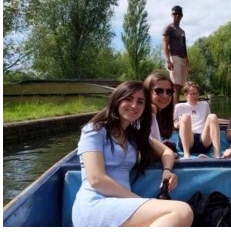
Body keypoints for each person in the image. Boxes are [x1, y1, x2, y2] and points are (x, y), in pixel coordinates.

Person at [72, 81, 193, 227]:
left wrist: (167, 171)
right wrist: (137, 200)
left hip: (122, 206)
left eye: (140, 102)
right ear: (117, 100)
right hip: (95, 204)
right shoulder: (94, 130)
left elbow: (167, 151)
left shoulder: (134, 137)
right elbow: (96, 179)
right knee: (181, 211)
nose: (134, 105)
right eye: (128, 99)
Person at [173, 81, 221, 158]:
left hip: (203, 140)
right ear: (186, 95)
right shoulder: (179, 106)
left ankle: (217, 155)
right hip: (188, 140)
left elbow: (208, 120)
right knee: (186, 117)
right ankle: (186, 155)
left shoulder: (204, 104)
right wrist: (177, 124)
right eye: (192, 94)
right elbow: (174, 121)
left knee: (213, 116)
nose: (195, 96)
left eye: (196, 93)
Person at [144, 71, 178, 153]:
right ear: (148, 92)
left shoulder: (163, 112)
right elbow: (149, 144)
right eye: (159, 91)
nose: (165, 95)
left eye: (169, 92)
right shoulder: (151, 109)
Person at [163, 5, 191, 104]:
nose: (177, 16)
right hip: (174, 57)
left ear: (182, 15)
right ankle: (174, 109)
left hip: (183, 59)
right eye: (175, 14)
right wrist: (168, 61)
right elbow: (165, 44)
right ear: (172, 14)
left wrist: (188, 65)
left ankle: (179, 107)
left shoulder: (182, 31)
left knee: (183, 85)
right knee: (176, 85)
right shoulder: (168, 28)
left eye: (179, 14)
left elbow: (184, 48)